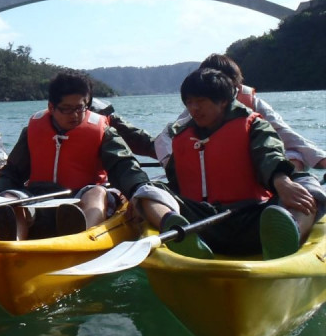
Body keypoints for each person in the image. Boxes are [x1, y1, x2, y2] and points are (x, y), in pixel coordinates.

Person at [137, 68, 326, 260]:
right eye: (189, 102)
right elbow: (176, 183)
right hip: (200, 224)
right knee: (148, 191)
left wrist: (282, 182)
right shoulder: (181, 136)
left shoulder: (254, 126)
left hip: (255, 218)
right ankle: (178, 233)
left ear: (224, 101)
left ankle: (289, 233)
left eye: (200, 101)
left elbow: (269, 154)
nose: (193, 108)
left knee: (308, 184)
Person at [0, 69, 157, 241]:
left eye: (79, 108)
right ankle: (12, 246)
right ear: (51, 107)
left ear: (87, 103)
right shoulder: (32, 130)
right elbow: (13, 171)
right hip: (38, 197)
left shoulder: (103, 132)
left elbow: (124, 166)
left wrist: (139, 189)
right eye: (66, 109)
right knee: (9, 199)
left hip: (81, 196)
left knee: (97, 192)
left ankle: (81, 239)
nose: (75, 115)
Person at [154, 54, 326, 171]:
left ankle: (288, 195)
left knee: (294, 156)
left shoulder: (254, 105)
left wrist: (319, 158)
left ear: (236, 85)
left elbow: (284, 133)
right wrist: (174, 166)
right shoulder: (198, 109)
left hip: (256, 163)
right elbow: (165, 138)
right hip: (216, 166)